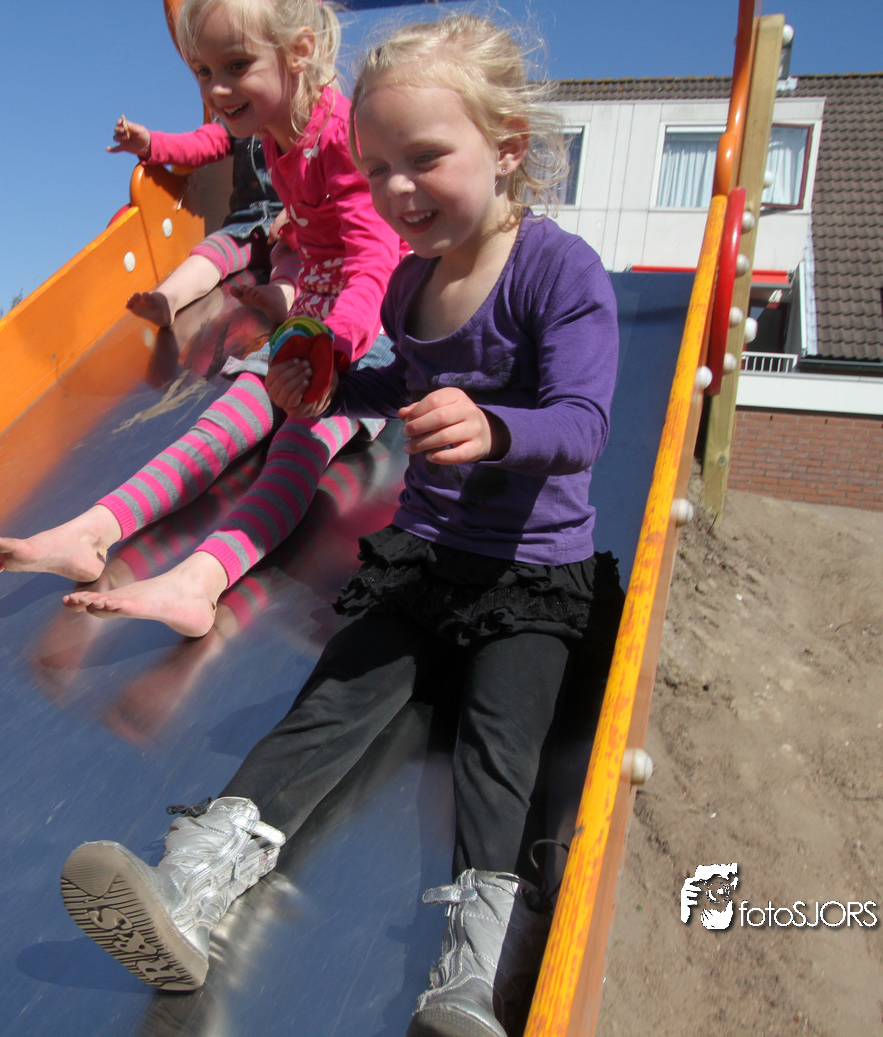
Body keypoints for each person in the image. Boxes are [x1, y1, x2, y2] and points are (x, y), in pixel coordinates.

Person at [56, 15, 622, 1037]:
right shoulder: (408, 283)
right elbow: (391, 385)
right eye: (377, 167)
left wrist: (496, 427)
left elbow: (582, 425)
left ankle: (473, 974)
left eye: (424, 159)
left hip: (530, 575)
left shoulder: (557, 271)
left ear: (506, 148)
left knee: (500, 756)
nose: (398, 189)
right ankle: (191, 888)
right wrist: (321, 388)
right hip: (423, 560)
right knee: (327, 706)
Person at [0, 0, 404, 638]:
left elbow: (374, 262)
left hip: (365, 337)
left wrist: (333, 352)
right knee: (218, 429)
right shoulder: (274, 133)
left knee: (295, 449)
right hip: (311, 322)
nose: (216, 89)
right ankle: (92, 531)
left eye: (236, 66)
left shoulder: (342, 137)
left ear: (299, 52)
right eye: (204, 72)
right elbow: (299, 210)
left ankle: (198, 583)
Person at [110, 114, 299, 328]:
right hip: (244, 226)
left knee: (297, 254)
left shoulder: (302, 116)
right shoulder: (238, 119)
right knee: (209, 252)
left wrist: (296, 209)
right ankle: (168, 298)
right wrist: (151, 144)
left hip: (291, 223)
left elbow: (323, 169)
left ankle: (282, 295)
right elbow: (200, 144)